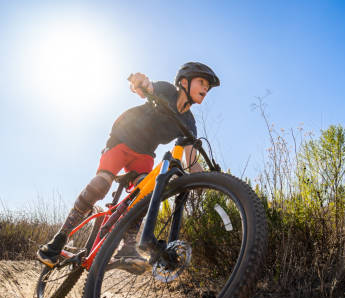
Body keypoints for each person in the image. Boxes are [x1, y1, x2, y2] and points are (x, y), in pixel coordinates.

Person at [36, 62, 220, 268]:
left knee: (146, 195)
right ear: (184, 82)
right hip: (122, 140)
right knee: (100, 184)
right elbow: (147, 88)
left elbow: (192, 159)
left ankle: (128, 247)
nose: (206, 88)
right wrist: (140, 82)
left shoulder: (189, 122)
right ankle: (58, 239)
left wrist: (205, 181)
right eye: (202, 82)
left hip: (144, 156)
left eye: (208, 87)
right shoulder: (167, 90)